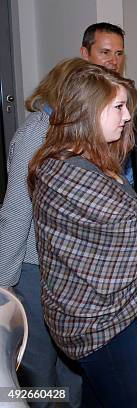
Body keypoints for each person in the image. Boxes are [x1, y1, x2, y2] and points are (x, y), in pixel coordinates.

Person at [28, 62, 137, 407]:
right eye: (118, 107)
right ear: (88, 112)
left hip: (88, 316)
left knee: (97, 398)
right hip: (100, 324)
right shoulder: (68, 172)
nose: (127, 117)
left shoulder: (64, 162)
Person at [80, 21, 137, 383]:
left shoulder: (125, 94)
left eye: (118, 54)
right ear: (85, 54)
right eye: (105, 52)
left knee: (131, 302)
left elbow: (132, 155)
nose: (113, 60)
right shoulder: (76, 107)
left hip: (127, 215)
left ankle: (132, 362)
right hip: (98, 234)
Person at [0, 58, 88, 408]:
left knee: (72, 365)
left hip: (70, 270)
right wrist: (4, 283)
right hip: (36, 272)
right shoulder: (35, 132)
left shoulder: (76, 130)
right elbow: (17, 212)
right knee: (39, 369)